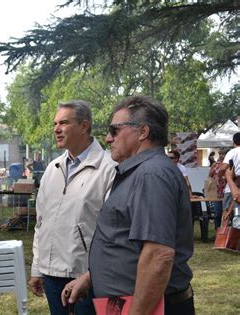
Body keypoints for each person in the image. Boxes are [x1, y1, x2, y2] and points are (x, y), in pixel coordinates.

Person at [62, 96, 194, 314]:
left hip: (151, 307)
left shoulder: (151, 175)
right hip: (126, 304)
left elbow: (158, 255)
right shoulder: (140, 172)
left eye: (114, 130)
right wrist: (90, 277)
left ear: (142, 132)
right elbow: (125, 241)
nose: (107, 138)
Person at [29, 100, 116, 314]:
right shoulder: (52, 168)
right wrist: (37, 269)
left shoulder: (108, 168)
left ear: (84, 126)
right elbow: (41, 223)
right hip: (51, 276)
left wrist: (91, 275)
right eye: (55, 123)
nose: (56, 129)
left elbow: (113, 231)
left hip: (87, 276)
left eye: (64, 123)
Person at [208, 148, 228, 228]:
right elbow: (210, 176)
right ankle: (217, 229)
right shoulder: (216, 164)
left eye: (223, 154)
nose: (221, 156)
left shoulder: (229, 163)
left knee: (227, 211)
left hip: (227, 189)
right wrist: (212, 168)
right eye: (220, 154)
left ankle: (227, 229)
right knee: (217, 212)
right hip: (217, 190)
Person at [219, 133, 240, 206]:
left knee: (227, 213)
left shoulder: (232, 152)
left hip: (232, 187)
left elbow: (222, 169)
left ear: (233, 142)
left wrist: (220, 177)